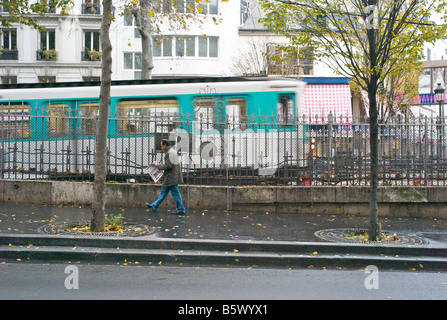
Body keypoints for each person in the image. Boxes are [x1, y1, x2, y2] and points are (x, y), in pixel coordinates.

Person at [146, 139, 185, 214]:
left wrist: (158, 166)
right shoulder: (172, 151)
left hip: (172, 177)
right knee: (164, 192)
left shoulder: (170, 153)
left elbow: (168, 166)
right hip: (172, 176)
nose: (161, 148)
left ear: (165, 145)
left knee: (175, 193)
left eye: (162, 146)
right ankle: (155, 205)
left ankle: (181, 209)